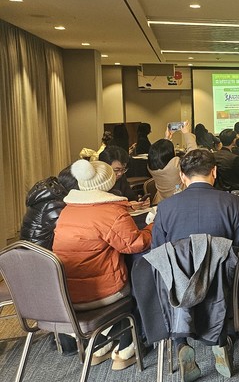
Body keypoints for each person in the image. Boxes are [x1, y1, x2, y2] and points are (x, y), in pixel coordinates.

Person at [150, 148, 239, 382]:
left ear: (182, 176)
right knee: (229, 281)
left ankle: (180, 343)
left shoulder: (166, 207)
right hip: (222, 288)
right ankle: (222, 341)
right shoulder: (232, 202)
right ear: (214, 172)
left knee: (176, 282)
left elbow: (158, 252)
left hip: (181, 291)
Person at [53, 159, 152, 370]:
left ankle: (100, 344)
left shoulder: (67, 210)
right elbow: (135, 244)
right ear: (109, 181)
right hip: (102, 294)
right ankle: (128, 346)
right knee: (143, 282)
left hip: (67, 295)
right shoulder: (110, 212)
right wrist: (153, 225)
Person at [20, 165, 77, 250]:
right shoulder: (53, 204)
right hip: (39, 253)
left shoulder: (51, 195)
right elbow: (69, 232)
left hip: (32, 249)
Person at [147, 121, 197, 203]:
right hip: (181, 201)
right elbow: (193, 154)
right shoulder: (175, 167)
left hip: (161, 202)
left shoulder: (151, 167)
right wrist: (186, 133)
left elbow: (160, 155)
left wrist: (167, 138)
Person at [99, 146, 149, 210]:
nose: (120, 173)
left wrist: (140, 202)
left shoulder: (121, 177)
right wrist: (126, 207)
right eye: (116, 170)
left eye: (123, 169)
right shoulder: (96, 182)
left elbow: (130, 197)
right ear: (104, 167)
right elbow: (102, 208)